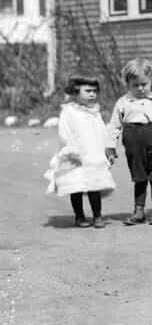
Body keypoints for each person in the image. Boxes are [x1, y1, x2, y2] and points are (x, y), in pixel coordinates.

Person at [106, 58, 152, 226]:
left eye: (144, 84)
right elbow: (114, 125)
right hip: (133, 139)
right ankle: (139, 210)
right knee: (139, 175)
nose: (140, 88)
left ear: (151, 80)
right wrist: (110, 146)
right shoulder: (123, 102)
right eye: (135, 85)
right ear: (128, 84)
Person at [44, 72, 116, 228]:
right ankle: (79, 216)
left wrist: (107, 150)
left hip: (93, 155)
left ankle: (97, 216)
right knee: (76, 186)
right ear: (76, 92)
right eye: (88, 91)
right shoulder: (69, 112)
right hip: (75, 155)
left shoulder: (94, 112)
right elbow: (64, 132)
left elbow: (102, 132)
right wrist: (70, 148)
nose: (92, 94)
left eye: (94, 91)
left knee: (94, 186)